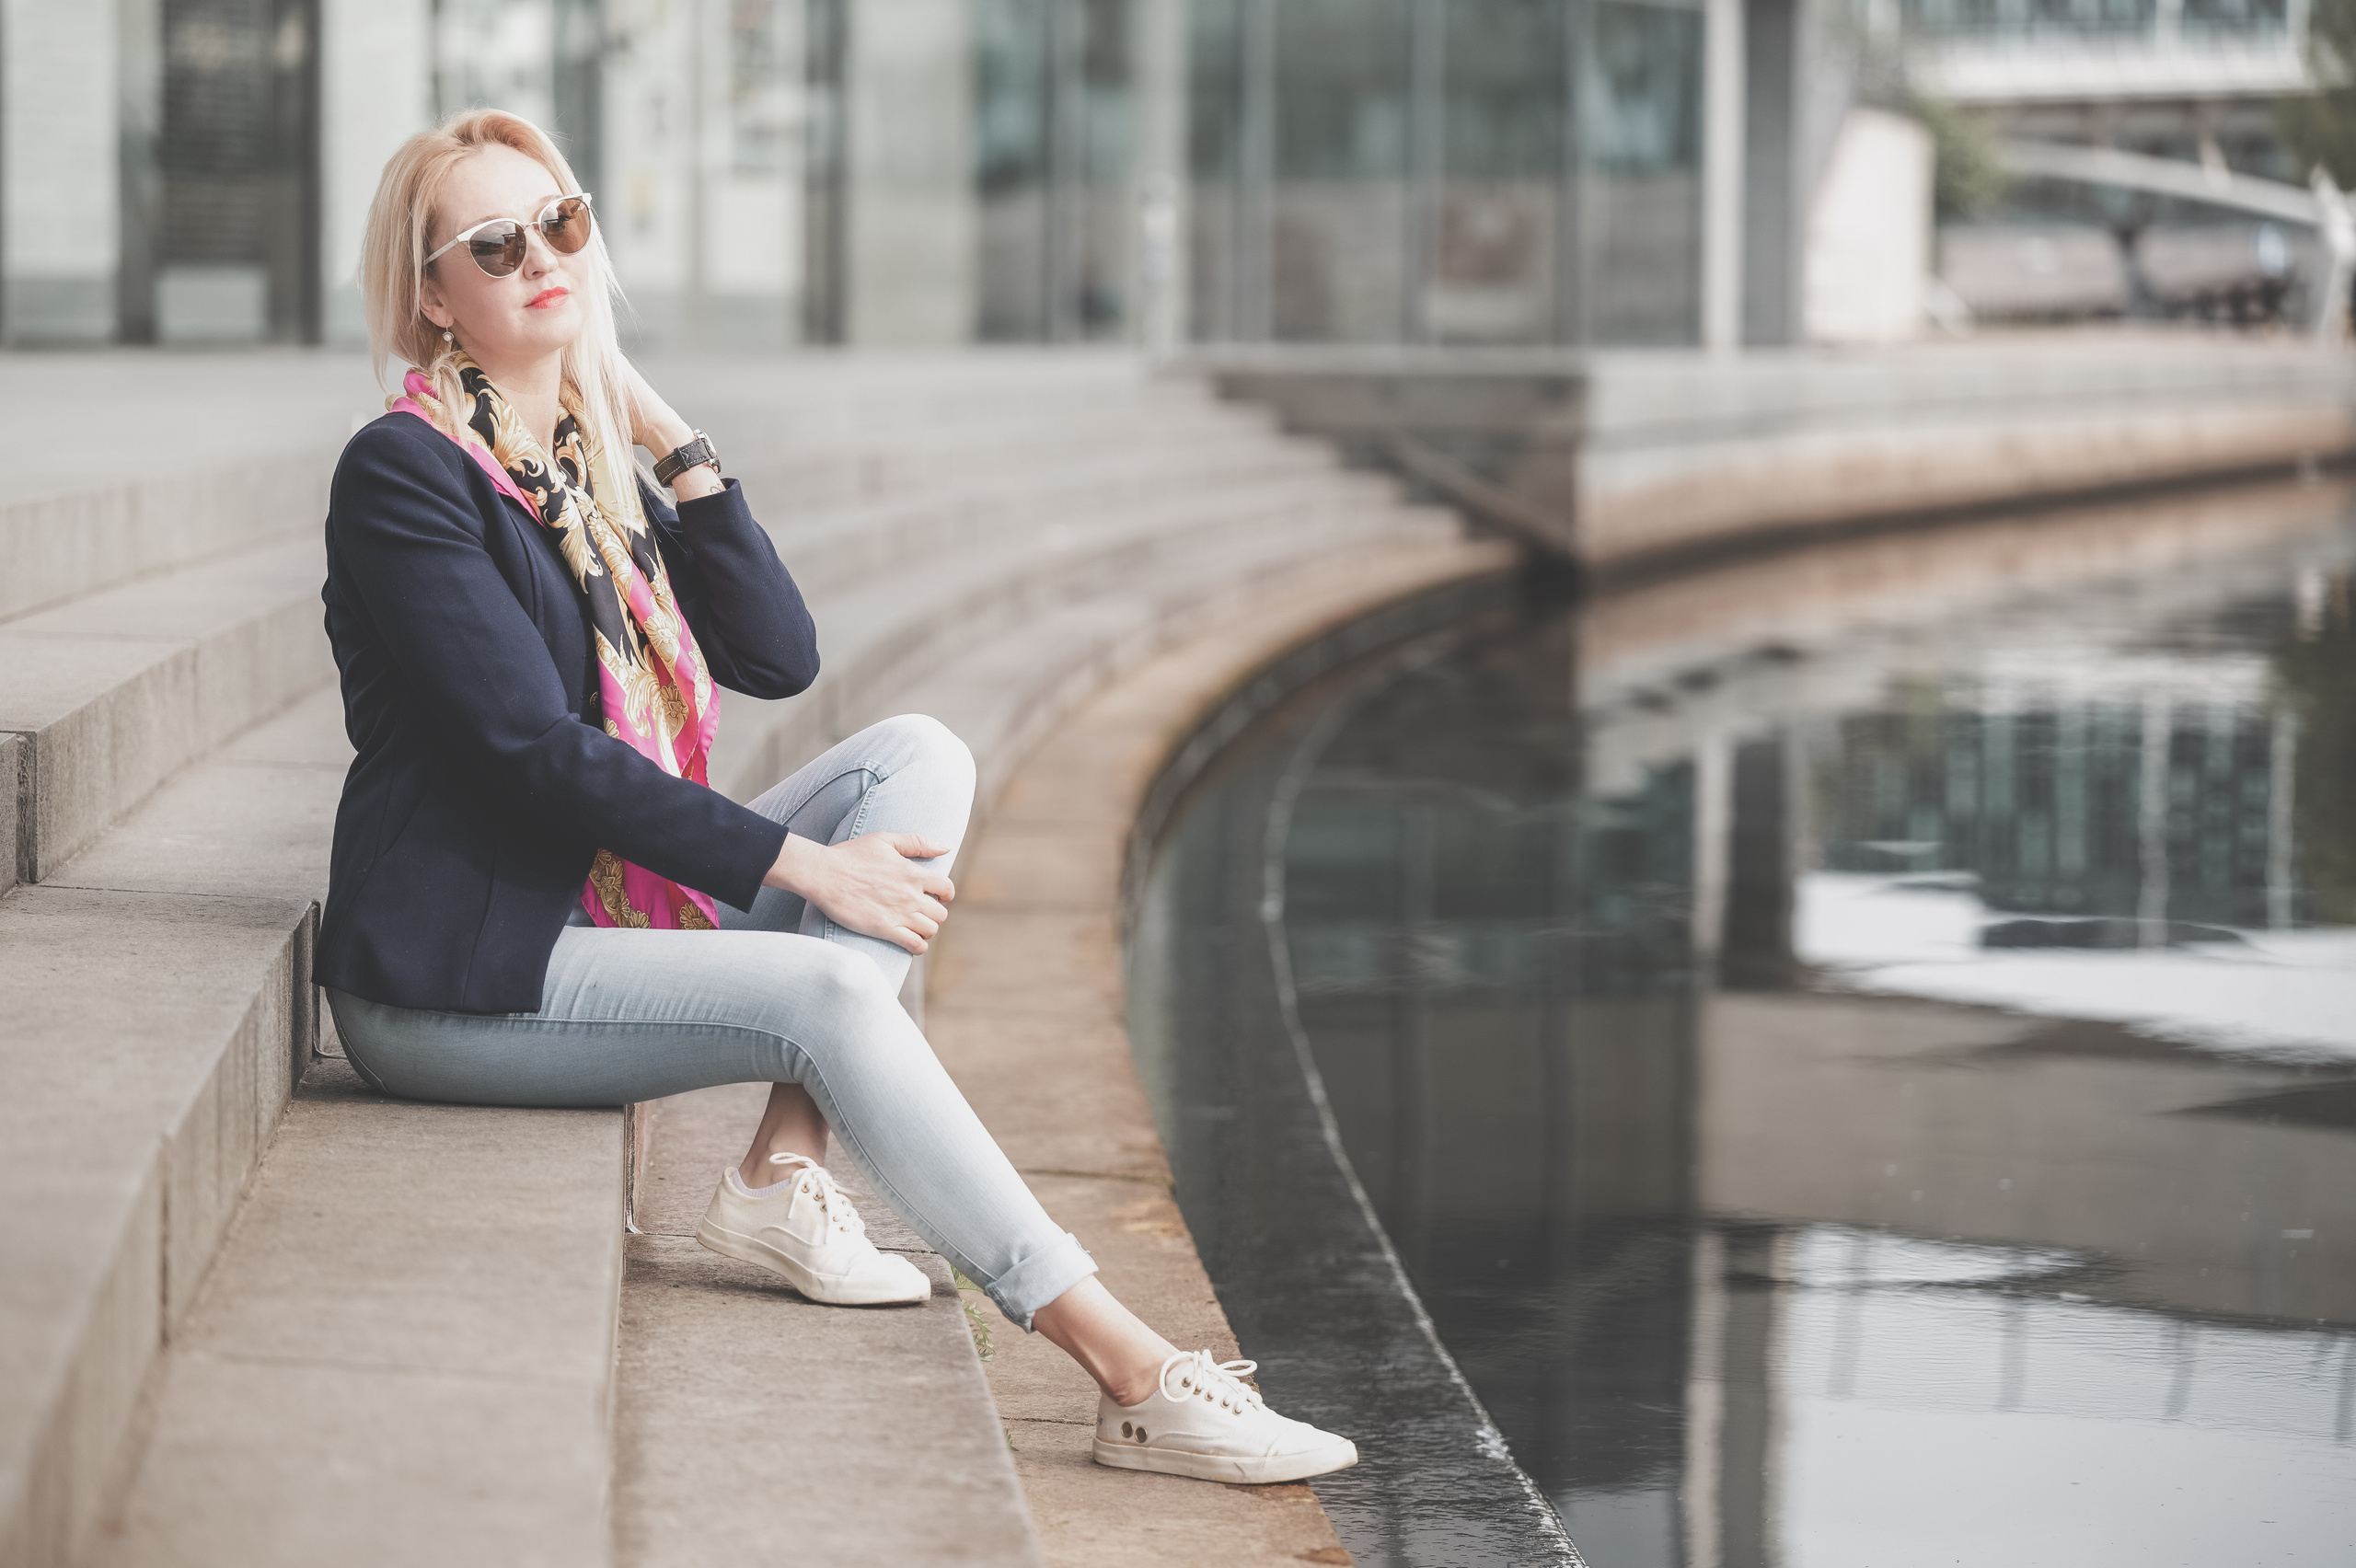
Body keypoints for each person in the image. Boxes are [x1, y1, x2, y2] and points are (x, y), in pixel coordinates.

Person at [316, 108, 1357, 1488]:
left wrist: (664, 433)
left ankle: (778, 1174)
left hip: (595, 913)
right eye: (496, 244)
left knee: (917, 757)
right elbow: (534, 752)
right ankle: (1128, 1371)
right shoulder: (405, 471)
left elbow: (776, 655)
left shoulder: (571, 467)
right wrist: (804, 871)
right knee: (826, 987)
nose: (544, 257)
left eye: (561, 221)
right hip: (462, 977)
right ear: (435, 297)